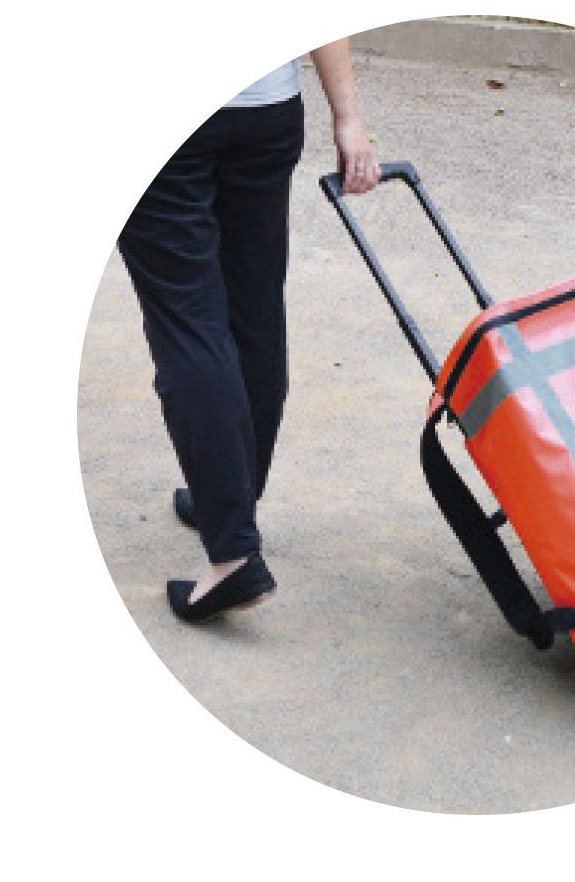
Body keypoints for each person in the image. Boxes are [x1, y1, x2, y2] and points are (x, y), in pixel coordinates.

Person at [117, 40, 381, 623]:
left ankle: (233, 552)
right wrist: (348, 118)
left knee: (188, 324)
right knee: (254, 316)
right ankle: (229, 498)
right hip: (265, 108)